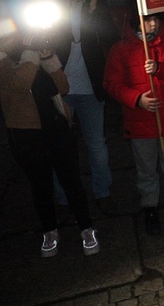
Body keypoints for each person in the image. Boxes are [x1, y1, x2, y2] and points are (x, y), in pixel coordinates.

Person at [0, 32, 99, 258]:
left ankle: (86, 228)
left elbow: (63, 88)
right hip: (25, 135)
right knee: (41, 186)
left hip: (56, 130)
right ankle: (49, 231)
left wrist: (48, 60)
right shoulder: (3, 61)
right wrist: (32, 54)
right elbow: (21, 83)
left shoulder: (33, 56)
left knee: (72, 181)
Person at [103, 9, 164, 236]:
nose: (153, 24)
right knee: (146, 170)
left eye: (155, 19)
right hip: (141, 124)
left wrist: (161, 69)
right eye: (147, 20)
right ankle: (150, 208)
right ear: (135, 23)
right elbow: (111, 84)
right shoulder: (120, 49)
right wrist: (136, 99)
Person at [54, 0, 118, 215]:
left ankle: (102, 191)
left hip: (90, 86)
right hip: (60, 87)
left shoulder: (95, 3)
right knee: (61, 144)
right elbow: (41, 40)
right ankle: (63, 195)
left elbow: (112, 38)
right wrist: (63, 3)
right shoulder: (51, 6)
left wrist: (93, 8)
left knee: (96, 143)